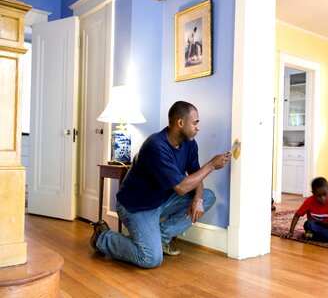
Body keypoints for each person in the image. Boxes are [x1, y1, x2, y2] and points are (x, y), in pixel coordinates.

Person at [90, 101, 231, 268]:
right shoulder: (156, 146)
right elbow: (181, 188)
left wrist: (198, 198)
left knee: (207, 196)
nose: (198, 127)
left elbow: (196, 177)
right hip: (136, 207)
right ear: (180, 123)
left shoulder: (190, 144)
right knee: (150, 259)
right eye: (195, 122)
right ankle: (103, 237)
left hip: (162, 200)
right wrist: (211, 165)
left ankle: (161, 238)